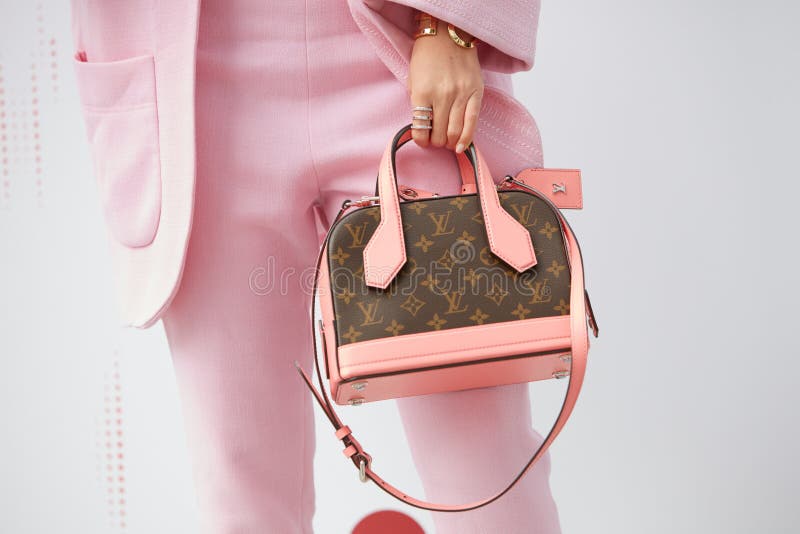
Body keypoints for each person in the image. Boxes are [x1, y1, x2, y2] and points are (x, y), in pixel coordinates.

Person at [69, 1, 559, 532]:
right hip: (189, 78)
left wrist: (452, 23)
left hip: (401, 52)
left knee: (487, 479)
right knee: (241, 491)